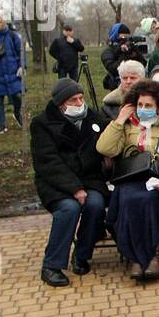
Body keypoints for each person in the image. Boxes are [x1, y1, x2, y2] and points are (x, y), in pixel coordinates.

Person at [96, 78, 159, 281]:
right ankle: (136, 256)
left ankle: (154, 256)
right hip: (130, 178)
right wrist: (119, 121)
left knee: (149, 200)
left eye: (148, 105)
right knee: (129, 199)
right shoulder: (127, 125)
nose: (143, 109)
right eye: (140, 105)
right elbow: (104, 148)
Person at [31, 78, 110, 287]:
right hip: (56, 183)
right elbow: (48, 162)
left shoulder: (95, 120)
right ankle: (52, 266)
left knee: (95, 205)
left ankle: (82, 254)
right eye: (73, 100)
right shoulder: (42, 124)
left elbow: (107, 145)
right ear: (60, 103)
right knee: (68, 209)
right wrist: (74, 188)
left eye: (81, 98)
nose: (79, 103)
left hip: (90, 179)